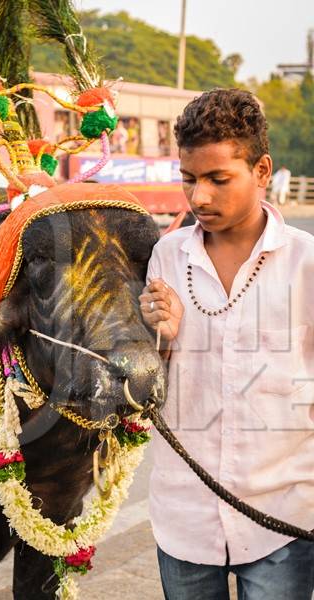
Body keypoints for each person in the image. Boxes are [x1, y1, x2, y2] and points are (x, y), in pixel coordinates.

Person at [138, 89, 314, 600]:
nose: (199, 199)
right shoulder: (166, 256)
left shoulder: (306, 262)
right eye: (188, 179)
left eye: (218, 179)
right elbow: (148, 379)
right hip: (183, 514)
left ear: (262, 171)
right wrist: (160, 337)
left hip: (282, 516)